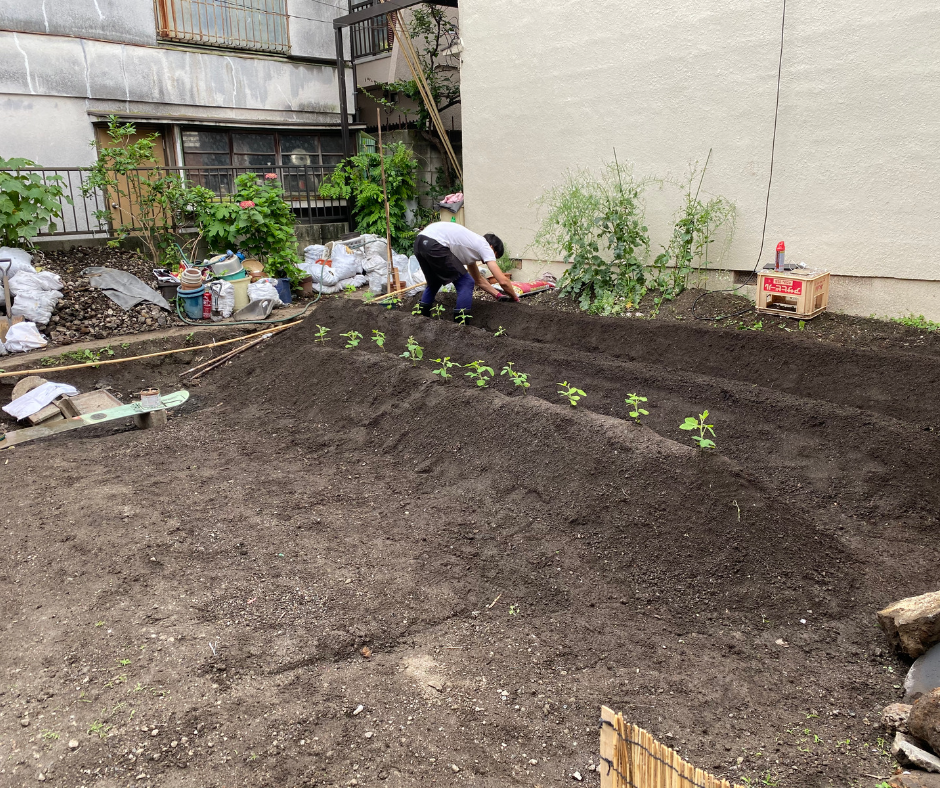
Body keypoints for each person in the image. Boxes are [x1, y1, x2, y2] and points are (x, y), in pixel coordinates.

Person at [413, 222, 519, 323]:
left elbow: (479, 279)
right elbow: (503, 281)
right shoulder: (485, 246)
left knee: (434, 283)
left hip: (419, 243)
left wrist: (498, 295)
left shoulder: (471, 247)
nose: (489, 260)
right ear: (492, 248)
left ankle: (422, 320)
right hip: (434, 243)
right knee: (466, 282)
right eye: (494, 256)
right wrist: (514, 297)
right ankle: (460, 325)